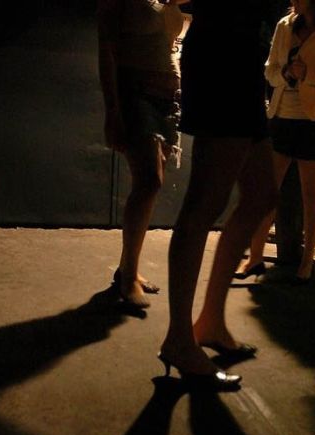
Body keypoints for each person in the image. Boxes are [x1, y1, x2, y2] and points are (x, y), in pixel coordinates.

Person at [158, 0, 279, 390]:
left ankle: (210, 321)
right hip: (224, 53)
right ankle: (179, 338)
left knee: (261, 193)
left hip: (245, 59)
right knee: (204, 202)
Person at [235, 0, 315, 284]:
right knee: (267, 191)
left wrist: (309, 75)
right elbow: (269, 70)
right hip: (281, 115)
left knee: (311, 194)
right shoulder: (284, 25)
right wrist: (285, 74)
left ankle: (306, 259)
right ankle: (254, 258)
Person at [97, 0, 184, 308]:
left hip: (167, 97)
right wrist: (112, 111)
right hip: (136, 91)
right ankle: (128, 277)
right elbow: (106, 51)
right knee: (149, 180)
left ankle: (127, 269)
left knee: (150, 181)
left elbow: (170, 42)